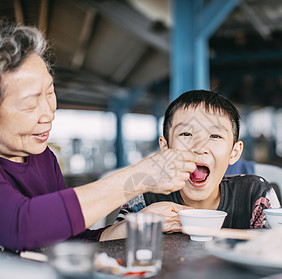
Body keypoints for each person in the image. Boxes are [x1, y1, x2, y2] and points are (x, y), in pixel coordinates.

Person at [0, 21, 201, 252]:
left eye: (49, 92)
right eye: (30, 104)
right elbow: (21, 226)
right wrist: (139, 177)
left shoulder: (43, 158)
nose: (48, 113)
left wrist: (141, 222)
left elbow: (68, 240)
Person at [114, 90, 281, 233]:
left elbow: (278, 248)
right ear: (165, 149)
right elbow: (111, 246)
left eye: (215, 136)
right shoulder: (145, 196)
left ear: (234, 152)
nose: (200, 148)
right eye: (186, 134)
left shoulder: (255, 195)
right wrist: (141, 222)